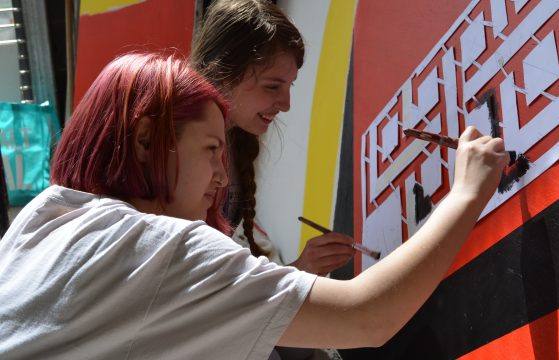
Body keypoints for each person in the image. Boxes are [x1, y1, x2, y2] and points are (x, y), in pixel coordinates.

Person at [0, 52, 509, 359]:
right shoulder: (156, 246)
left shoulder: (40, 221)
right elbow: (367, 316)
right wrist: (466, 193)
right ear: (143, 141)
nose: (221, 175)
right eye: (210, 149)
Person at [190, 0, 355, 276]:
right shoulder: (175, 147)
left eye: (289, 86)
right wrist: (298, 271)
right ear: (224, 72)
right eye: (272, 86)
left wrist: (297, 271)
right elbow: (197, 289)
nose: (286, 103)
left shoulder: (238, 140)